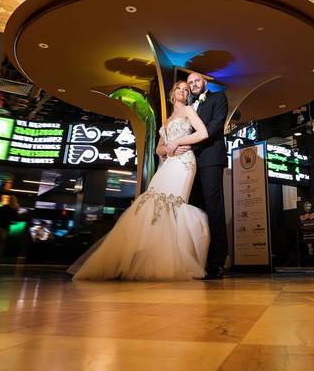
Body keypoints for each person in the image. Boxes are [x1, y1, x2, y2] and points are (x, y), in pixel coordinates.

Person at [69, 81, 210, 280]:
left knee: (174, 205)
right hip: (169, 163)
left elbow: (203, 133)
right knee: (151, 200)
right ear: (173, 93)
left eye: (186, 90)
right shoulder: (168, 120)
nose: (182, 91)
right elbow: (158, 149)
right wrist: (169, 147)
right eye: (179, 88)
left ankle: (176, 260)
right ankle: (150, 257)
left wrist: (179, 142)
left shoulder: (188, 110)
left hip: (185, 163)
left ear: (188, 96)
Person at [176, 72, 230, 279]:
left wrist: (186, 143)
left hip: (209, 159)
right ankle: (196, 259)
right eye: (190, 83)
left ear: (204, 82)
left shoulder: (218, 97)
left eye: (196, 80)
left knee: (213, 207)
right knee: (193, 209)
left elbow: (215, 127)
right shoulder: (188, 106)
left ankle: (216, 263)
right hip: (188, 162)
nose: (193, 84)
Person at [0, 194, 19, 264]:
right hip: (5, 228)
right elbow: (14, 218)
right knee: (1, 245)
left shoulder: (3, 207)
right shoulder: (13, 209)